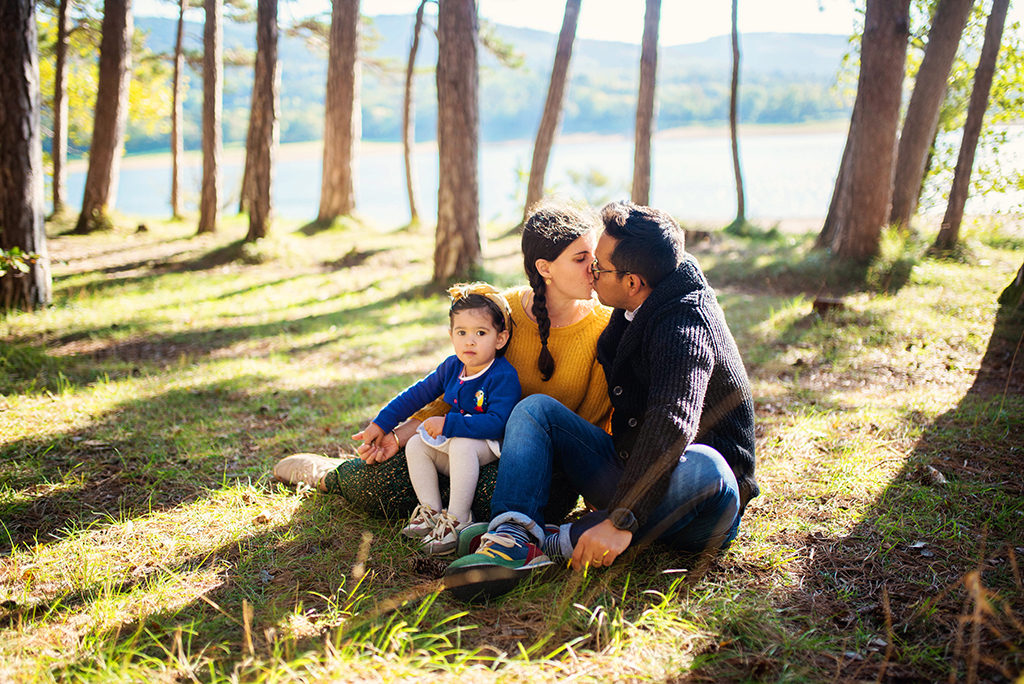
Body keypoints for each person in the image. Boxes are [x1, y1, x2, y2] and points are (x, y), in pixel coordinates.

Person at [444, 201, 759, 602]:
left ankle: (558, 540)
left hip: (700, 502)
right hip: (636, 472)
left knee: (706, 465)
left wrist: (622, 518)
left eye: (600, 267)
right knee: (536, 409)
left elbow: (672, 420)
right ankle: (512, 534)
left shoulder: (685, 324)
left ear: (632, 282)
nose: (592, 271)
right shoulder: (637, 298)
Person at [272, 200, 613, 524]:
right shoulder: (502, 311)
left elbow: (593, 424)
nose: (594, 268)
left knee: (493, 497)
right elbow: (457, 385)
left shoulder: (604, 329)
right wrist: (404, 432)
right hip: (462, 438)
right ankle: (333, 475)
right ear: (545, 268)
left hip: (536, 464)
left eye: (593, 257)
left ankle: (451, 508)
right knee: (380, 482)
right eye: (581, 258)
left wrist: (600, 498)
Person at [352, 283, 520, 554]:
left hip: (488, 445)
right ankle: (430, 511)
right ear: (451, 334)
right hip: (457, 446)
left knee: (462, 444)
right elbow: (416, 394)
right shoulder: (452, 367)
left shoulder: (503, 375)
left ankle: (458, 519)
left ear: (500, 339)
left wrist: (448, 424)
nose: (470, 341)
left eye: (481, 333)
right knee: (418, 443)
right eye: (461, 332)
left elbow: (498, 422)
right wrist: (381, 423)